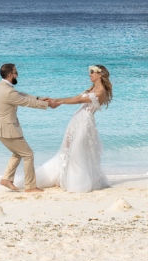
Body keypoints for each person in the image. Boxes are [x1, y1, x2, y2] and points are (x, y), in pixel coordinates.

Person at [36, 64, 112, 193]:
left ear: (100, 74)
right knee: (66, 150)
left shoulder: (100, 92)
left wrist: (58, 101)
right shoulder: (91, 89)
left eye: (93, 72)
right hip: (76, 120)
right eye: (90, 72)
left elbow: (77, 100)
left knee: (78, 151)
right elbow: (75, 98)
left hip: (85, 123)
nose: (90, 74)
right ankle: (62, 177)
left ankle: (77, 182)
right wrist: (55, 100)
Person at [0, 63, 58, 193]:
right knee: (28, 154)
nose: (17, 74)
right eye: (16, 72)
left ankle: (7, 179)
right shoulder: (8, 91)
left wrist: (39, 98)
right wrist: (48, 105)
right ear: (10, 75)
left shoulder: (1, 86)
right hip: (7, 129)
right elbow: (27, 102)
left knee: (18, 152)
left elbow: (21, 95)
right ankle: (30, 186)